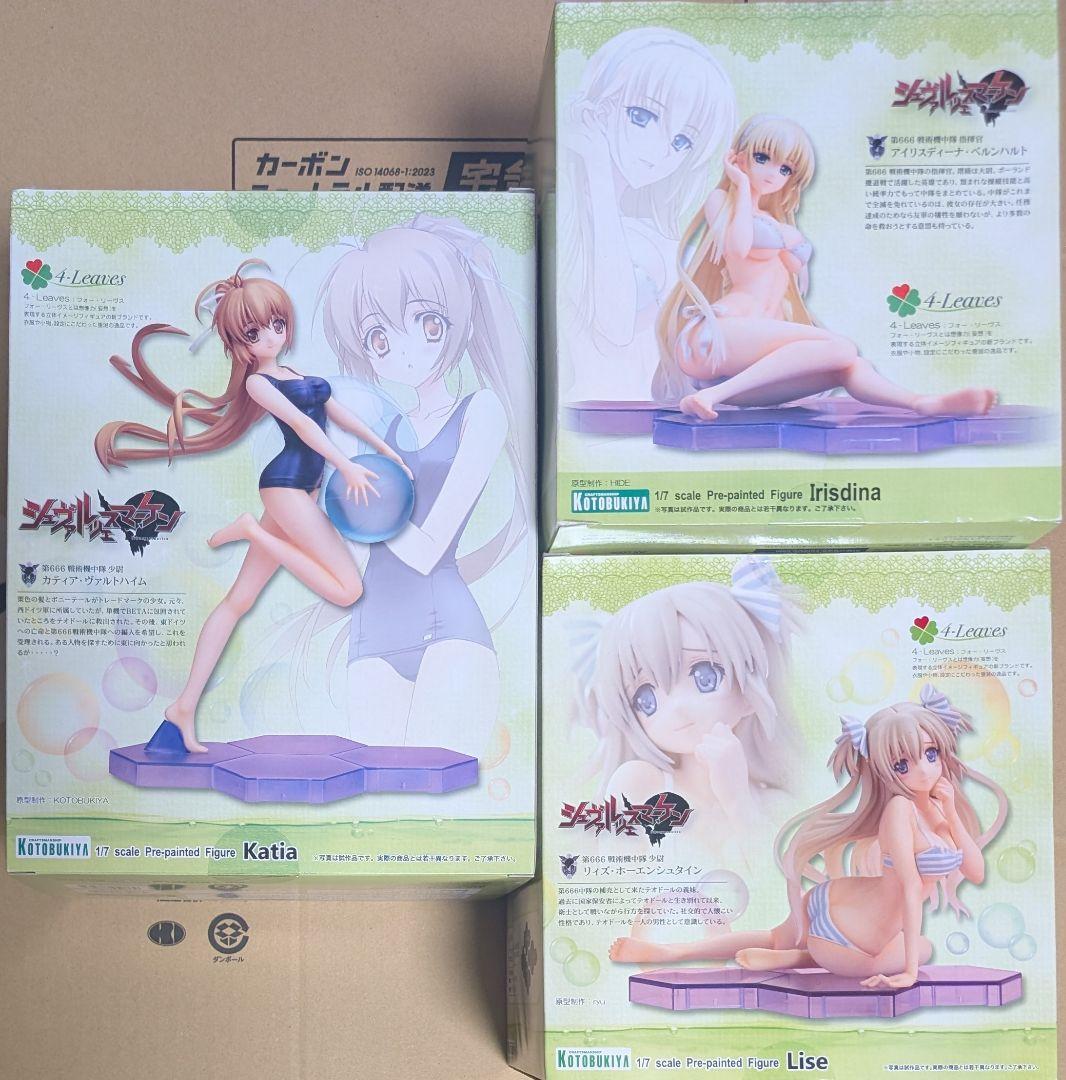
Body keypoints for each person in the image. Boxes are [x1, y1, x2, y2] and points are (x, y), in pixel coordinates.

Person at [96, 261, 408, 752]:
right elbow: (303, 427)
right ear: (238, 343)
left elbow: (337, 413)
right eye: (255, 332)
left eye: (277, 324)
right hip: (285, 488)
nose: (270, 336)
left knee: (237, 602)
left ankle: (182, 707)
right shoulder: (258, 383)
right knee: (348, 589)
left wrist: (386, 451)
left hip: (299, 491)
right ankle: (251, 530)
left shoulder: (295, 373)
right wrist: (345, 465)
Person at [610, 685, 1008, 990]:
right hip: (850, 935)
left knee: (781, 937)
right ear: (886, 771)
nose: (923, 770)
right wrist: (909, 972)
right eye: (903, 764)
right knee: (914, 951)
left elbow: (974, 871)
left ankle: (686, 952)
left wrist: (950, 811)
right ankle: (791, 957)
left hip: (844, 903)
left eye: (931, 754)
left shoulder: (937, 807)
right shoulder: (899, 810)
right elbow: (909, 887)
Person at [654, 115, 998, 420]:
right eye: (762, 158)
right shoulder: (725, 201)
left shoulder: (775, 220)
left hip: (748, 367)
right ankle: (710, 396)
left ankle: (922, 403)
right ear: (739, 157)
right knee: (842, 347)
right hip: (718, 337)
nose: (773, 173)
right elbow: (737, 246)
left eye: (785, 169)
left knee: (849, 365)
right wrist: (742, 184)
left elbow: (790, 271)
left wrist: (785, 237)